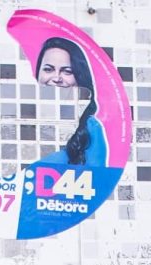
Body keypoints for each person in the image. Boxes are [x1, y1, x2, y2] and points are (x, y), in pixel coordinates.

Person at [33, 36, 107, 169]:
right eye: (48, 69)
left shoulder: (93, 126)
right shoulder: (20, 117)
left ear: (80, 76)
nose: (56, 78)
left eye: (67, 71)